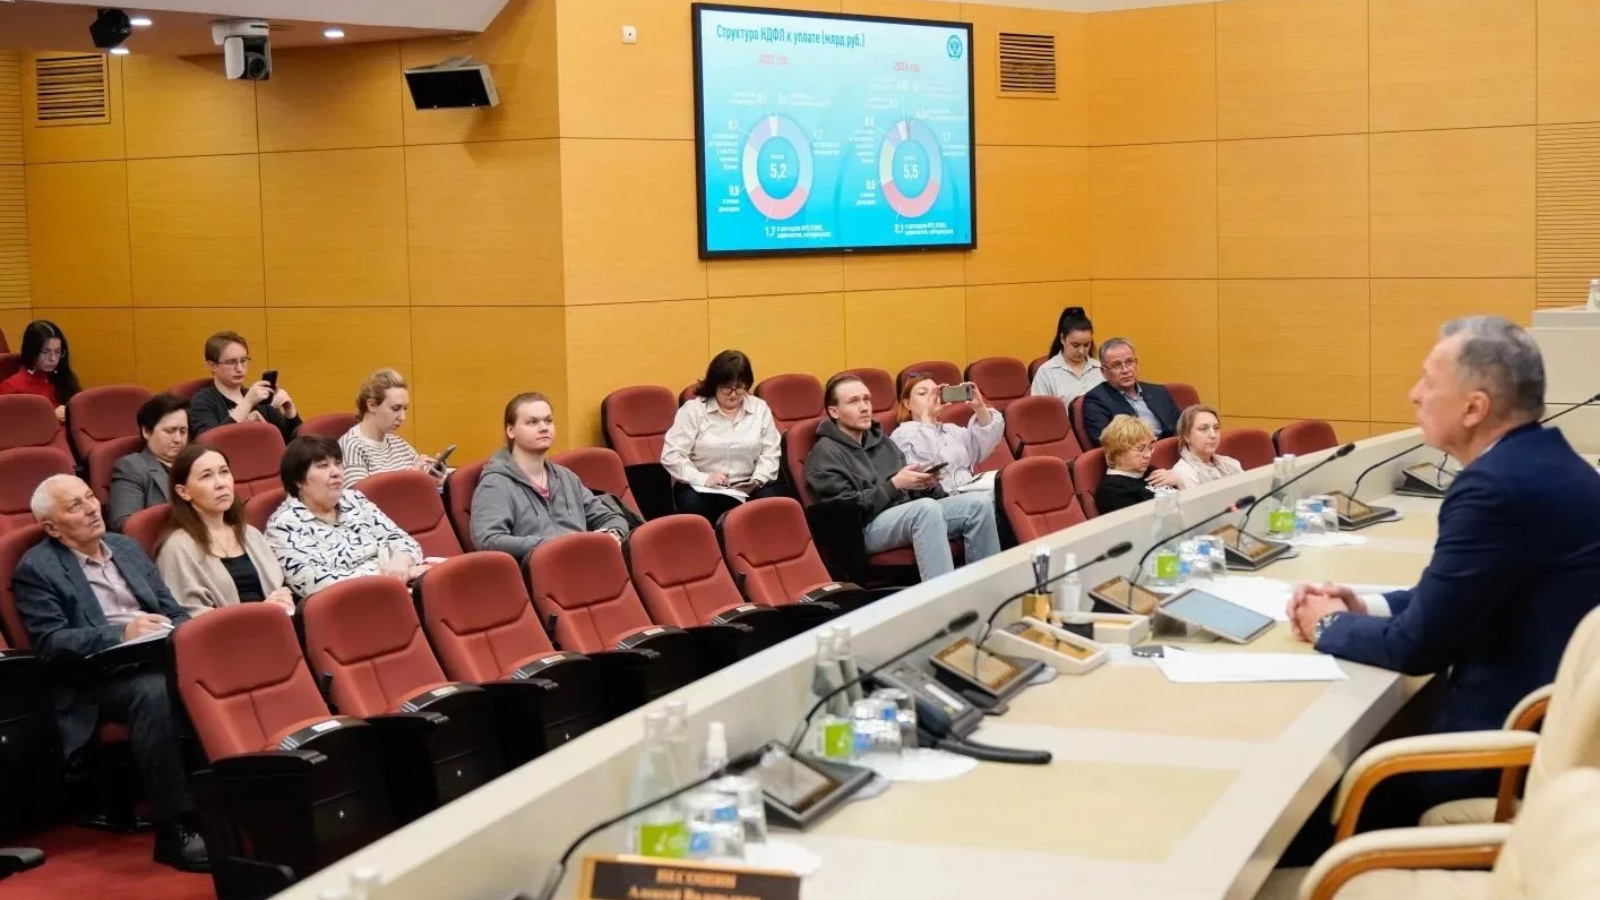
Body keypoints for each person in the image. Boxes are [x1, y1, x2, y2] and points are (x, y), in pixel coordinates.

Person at [1288, 316, 1600, 827]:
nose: (1414, 394)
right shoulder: (1546, 463)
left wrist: (1326, 623)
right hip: (1539, 731)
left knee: (1303, 811)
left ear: (1474, 408)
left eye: (1429, 382)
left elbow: (1416, 647)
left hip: (1496, 758)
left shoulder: (1495, 489)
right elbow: (1454, 594)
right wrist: (1364, 606)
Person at [11, 475, 207, 872]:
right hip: (97, 678)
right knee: (153, 692)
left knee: (218, 667)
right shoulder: (36, 570)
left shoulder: (125, 547)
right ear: (52, 527)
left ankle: (239, 793)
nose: (91, 509)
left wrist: (187, 635)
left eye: (89, 497)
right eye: (75, 506)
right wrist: (121, 633)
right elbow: (51, 643)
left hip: (158, 653)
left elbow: (171, 609)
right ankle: (176, 827)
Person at [804, 374, 999, 582]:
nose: (864, 407)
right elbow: (842, 510)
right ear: (834, 412)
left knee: (978, 504)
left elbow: (906, 487)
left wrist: (925, 485)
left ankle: (989, 589)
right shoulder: (824, 453)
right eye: (853, 401)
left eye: (866, 399)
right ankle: (943, 597)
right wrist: (894, 485)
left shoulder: (882, 442)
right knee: (925, 509)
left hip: (903, 514)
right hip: (861, 529)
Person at [472, 392, 630, 563]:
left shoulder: (565, 477)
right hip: (540, 570)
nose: (544, 428)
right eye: (532, 422)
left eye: (548, 421)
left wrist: (613, 533)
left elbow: (610, 517)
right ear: (511, 431)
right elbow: (488, 540)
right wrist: (554, 544)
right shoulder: (496, 483)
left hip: (585, 563)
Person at [265, 436, 430, 597]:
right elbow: (314, 583)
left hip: (398, 589)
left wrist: (401, 561)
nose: (336, 472)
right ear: (298, 480)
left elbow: (404, 540)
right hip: (350, 604)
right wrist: (394, 575)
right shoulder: (283, 525)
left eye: (337, 463)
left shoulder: (353, 499)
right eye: (323, 466)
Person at [156, 445, 293, 617]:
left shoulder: (250, 534)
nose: (221, 483)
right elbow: (190, 616)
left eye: (224, 472)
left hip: (277, 623)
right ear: (183, 492)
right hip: (230, 632)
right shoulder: (177, 547)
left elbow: (279, 587)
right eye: (206, 476)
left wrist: (283, 598)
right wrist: (260, 612)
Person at [661, 350, 783, 523]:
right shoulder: (693, 410)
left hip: (747, 486)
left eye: (739, 387)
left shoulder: (760, 409)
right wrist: (704, 479)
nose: (733, 394)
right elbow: (672, 455)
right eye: (727, 388)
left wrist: (758, 480)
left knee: (772, 503)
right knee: (695, 504)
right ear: (714, 385)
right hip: (702, 488)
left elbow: (771, 452)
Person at [889, 374, 1004, 494]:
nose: (932, 398)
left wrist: (980, 407)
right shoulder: (902, 434)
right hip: (937, 499)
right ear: (907, 404)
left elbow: (985, 443)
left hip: (969, 492)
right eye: (922, 393)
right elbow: (922, 469)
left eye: (936, 393)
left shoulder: (951, 430)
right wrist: (927, 419)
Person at [188, 331, 301, 441]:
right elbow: (208, 442)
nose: (240, 368)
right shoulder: (203, 401)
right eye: (231, 362)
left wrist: (290, 410)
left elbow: (295, 443)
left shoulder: (259, 397)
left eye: (243, 361)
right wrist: (247, 403)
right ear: (212, 365)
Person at [339, 368, 441, 488]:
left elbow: (420, 477)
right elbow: (359, 497)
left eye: (405, 409)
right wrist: (412, 478)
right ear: (372, 405)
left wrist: (434, 477)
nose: (402, 417)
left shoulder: (397, 442)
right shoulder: (351, 447)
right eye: (395, 408)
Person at [109, 392, 189, 532]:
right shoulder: (131, 467)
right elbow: (125, 524)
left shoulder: (196, 463)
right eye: (170, 431)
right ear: (146, 431)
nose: (178, 439)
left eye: (183, 431)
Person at [1080, 338, 1181, 447]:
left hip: (1172, 451)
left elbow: (1182, 427)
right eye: (1117, 365)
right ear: (1104, 372)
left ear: (1136, 363)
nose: (1125, 370)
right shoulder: (1096, 400)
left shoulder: (1159, 392)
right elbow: (1108, 444)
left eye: (1129, 362)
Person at [1093, 414, 1182, 514]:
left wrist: (1179, 483)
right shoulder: (1112, 491)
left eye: (1150, 448)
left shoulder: (1150, 470)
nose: (1148, 455)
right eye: (1140, 449)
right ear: (1118, 452)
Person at [0, 319, 81, 424]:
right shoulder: (13, 386)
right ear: (31, 351)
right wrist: (50, 417)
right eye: (45, 352)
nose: (53, 359)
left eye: (57, 352)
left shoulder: (60, 376)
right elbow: (10, 425)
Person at [1029, 306, 1104, 406]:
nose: (1081, 351)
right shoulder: (1046, 372)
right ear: (1062, 339)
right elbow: (1039, 410)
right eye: (1075, 345)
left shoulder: (1100, 369)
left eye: (1086, 345)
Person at [1170, 404, 1243, 488]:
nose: (1213, 435)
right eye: (1203, 429)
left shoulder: (1231, 463)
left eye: (1216, 428)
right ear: (1186, 436)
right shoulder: (1184, 472)